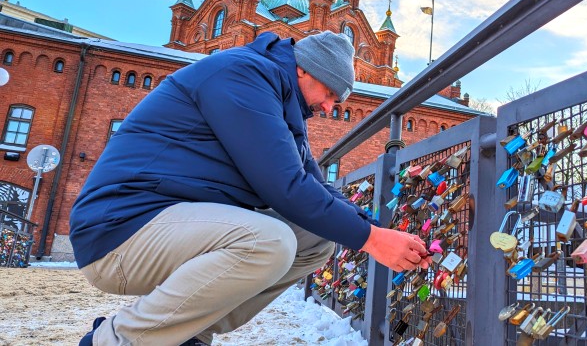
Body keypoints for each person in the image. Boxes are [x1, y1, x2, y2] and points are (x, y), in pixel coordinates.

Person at [69, 31, 429, 345]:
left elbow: (313, 185)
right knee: (269, 241)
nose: (329, 107)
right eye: (330, 92)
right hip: (119, 230)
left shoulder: (283, 102)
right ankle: (116, 340)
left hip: (169, 224)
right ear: (304, 68)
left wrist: (374, 228)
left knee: (314, 240)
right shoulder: (242, 75)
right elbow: (285, 186)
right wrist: (371, 240)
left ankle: (184, 335)